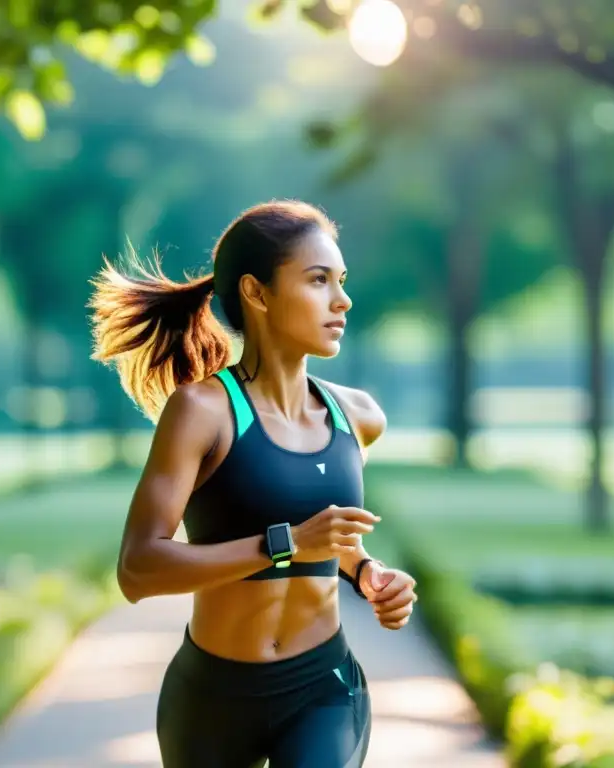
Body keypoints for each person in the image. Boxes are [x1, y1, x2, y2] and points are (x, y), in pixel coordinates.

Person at [88, 199, 418, 768]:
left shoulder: (358, 416)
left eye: (341, 281)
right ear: (257, 293)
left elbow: (329, 538)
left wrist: (369, 572)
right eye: (318, 281)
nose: (342, 300)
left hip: (323, 690)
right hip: (212, 700)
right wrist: (284, 544)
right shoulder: (202, 411)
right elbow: (137, 569)